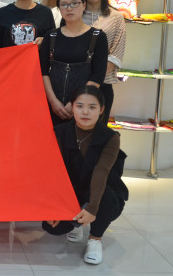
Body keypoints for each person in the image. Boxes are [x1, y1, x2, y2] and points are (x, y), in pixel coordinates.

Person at [42, 85, 128, 265]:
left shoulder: (110, 137)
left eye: (92, 107)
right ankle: (77, 224)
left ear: (101, 110)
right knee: (52, 228)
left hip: (101, 190)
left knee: (105, 198)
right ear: (72, 107)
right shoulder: (59, 132)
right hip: (72, 190)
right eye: (79, 106)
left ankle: (95, 239)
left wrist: (92, 208)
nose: (85, 112)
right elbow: (54, 172)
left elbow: (101, 171)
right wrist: (53, 206)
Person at [39, 0, 108, 126]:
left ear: (84, 5)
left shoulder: (98, 37)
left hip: (83, 108)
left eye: (74, 3)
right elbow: (43, 71)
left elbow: (98, 76)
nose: (69, 8)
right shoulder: (51, 36)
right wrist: (53, 102)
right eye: (64, 4)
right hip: (52, 106)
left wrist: (76, 103)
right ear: (59, 8)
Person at [79, 0, 126, 123]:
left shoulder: (116, 17)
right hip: (75, 84)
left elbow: (116, 54)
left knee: (99, 131)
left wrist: (93, 81)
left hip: (103, 85)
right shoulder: (75, 14)